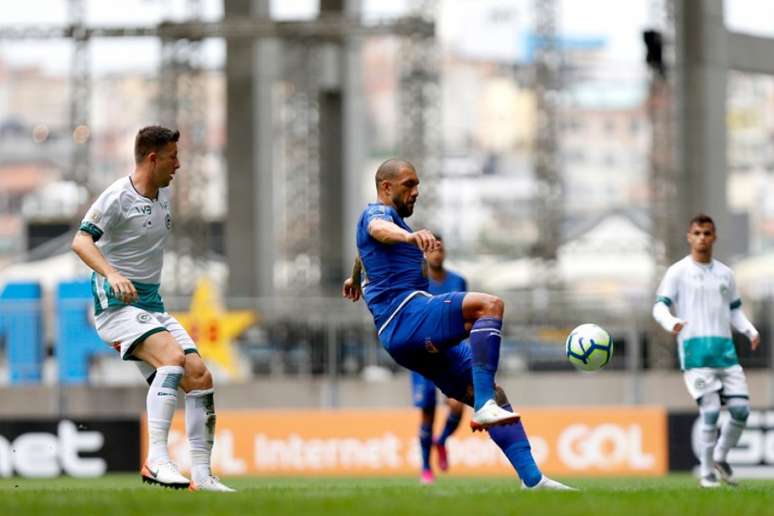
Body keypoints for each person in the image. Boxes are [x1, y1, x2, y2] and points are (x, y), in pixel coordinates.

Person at [342, 158, 572, 490]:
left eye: (418, 184)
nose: (416, 191)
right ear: (386, 187)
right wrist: (409, 239)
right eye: (409, 184)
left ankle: (533, 480)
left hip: (404, 339)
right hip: (407, 315)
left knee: (495, 393)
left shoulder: (386, 224)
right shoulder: (378, 216)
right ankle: (484, 406)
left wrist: (353, 279)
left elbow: (365, 249)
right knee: (490, 306)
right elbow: (378, 230)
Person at [72, 126, 234, 492]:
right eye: (173, 157)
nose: (179, 164)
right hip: (115, 307)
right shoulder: (117, 197)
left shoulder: (163, 196)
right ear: (152, 158)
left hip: (150, 305)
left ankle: (203, 476)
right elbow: (81, 241)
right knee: (173, 358)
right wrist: (112, 273)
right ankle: (156, 460)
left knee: (199, 376)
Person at [653, 213, 759, 488]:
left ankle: (721, 457)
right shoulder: (678, 271)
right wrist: (671, 321)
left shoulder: (725, 274)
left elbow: (735, 311)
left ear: (714, 237)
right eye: (697, 233)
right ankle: (706, 473)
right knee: (711, 411)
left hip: (725, 352)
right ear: (689, 237)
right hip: (695, 352)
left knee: (741, 411)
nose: (702, 238)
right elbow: (659, 306)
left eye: (707, 233)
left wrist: (749, 329)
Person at [411, 234, 466, 484]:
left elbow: (464, 315)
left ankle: (441, 440)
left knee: (457, 405)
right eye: (432, 249)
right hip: (422, 354)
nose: (437, 254)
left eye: (440, 249)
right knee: (427, 412)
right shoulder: (417, 281)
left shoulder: (458, 281)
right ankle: (425, 469)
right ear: (425, 253)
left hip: (449, 353)